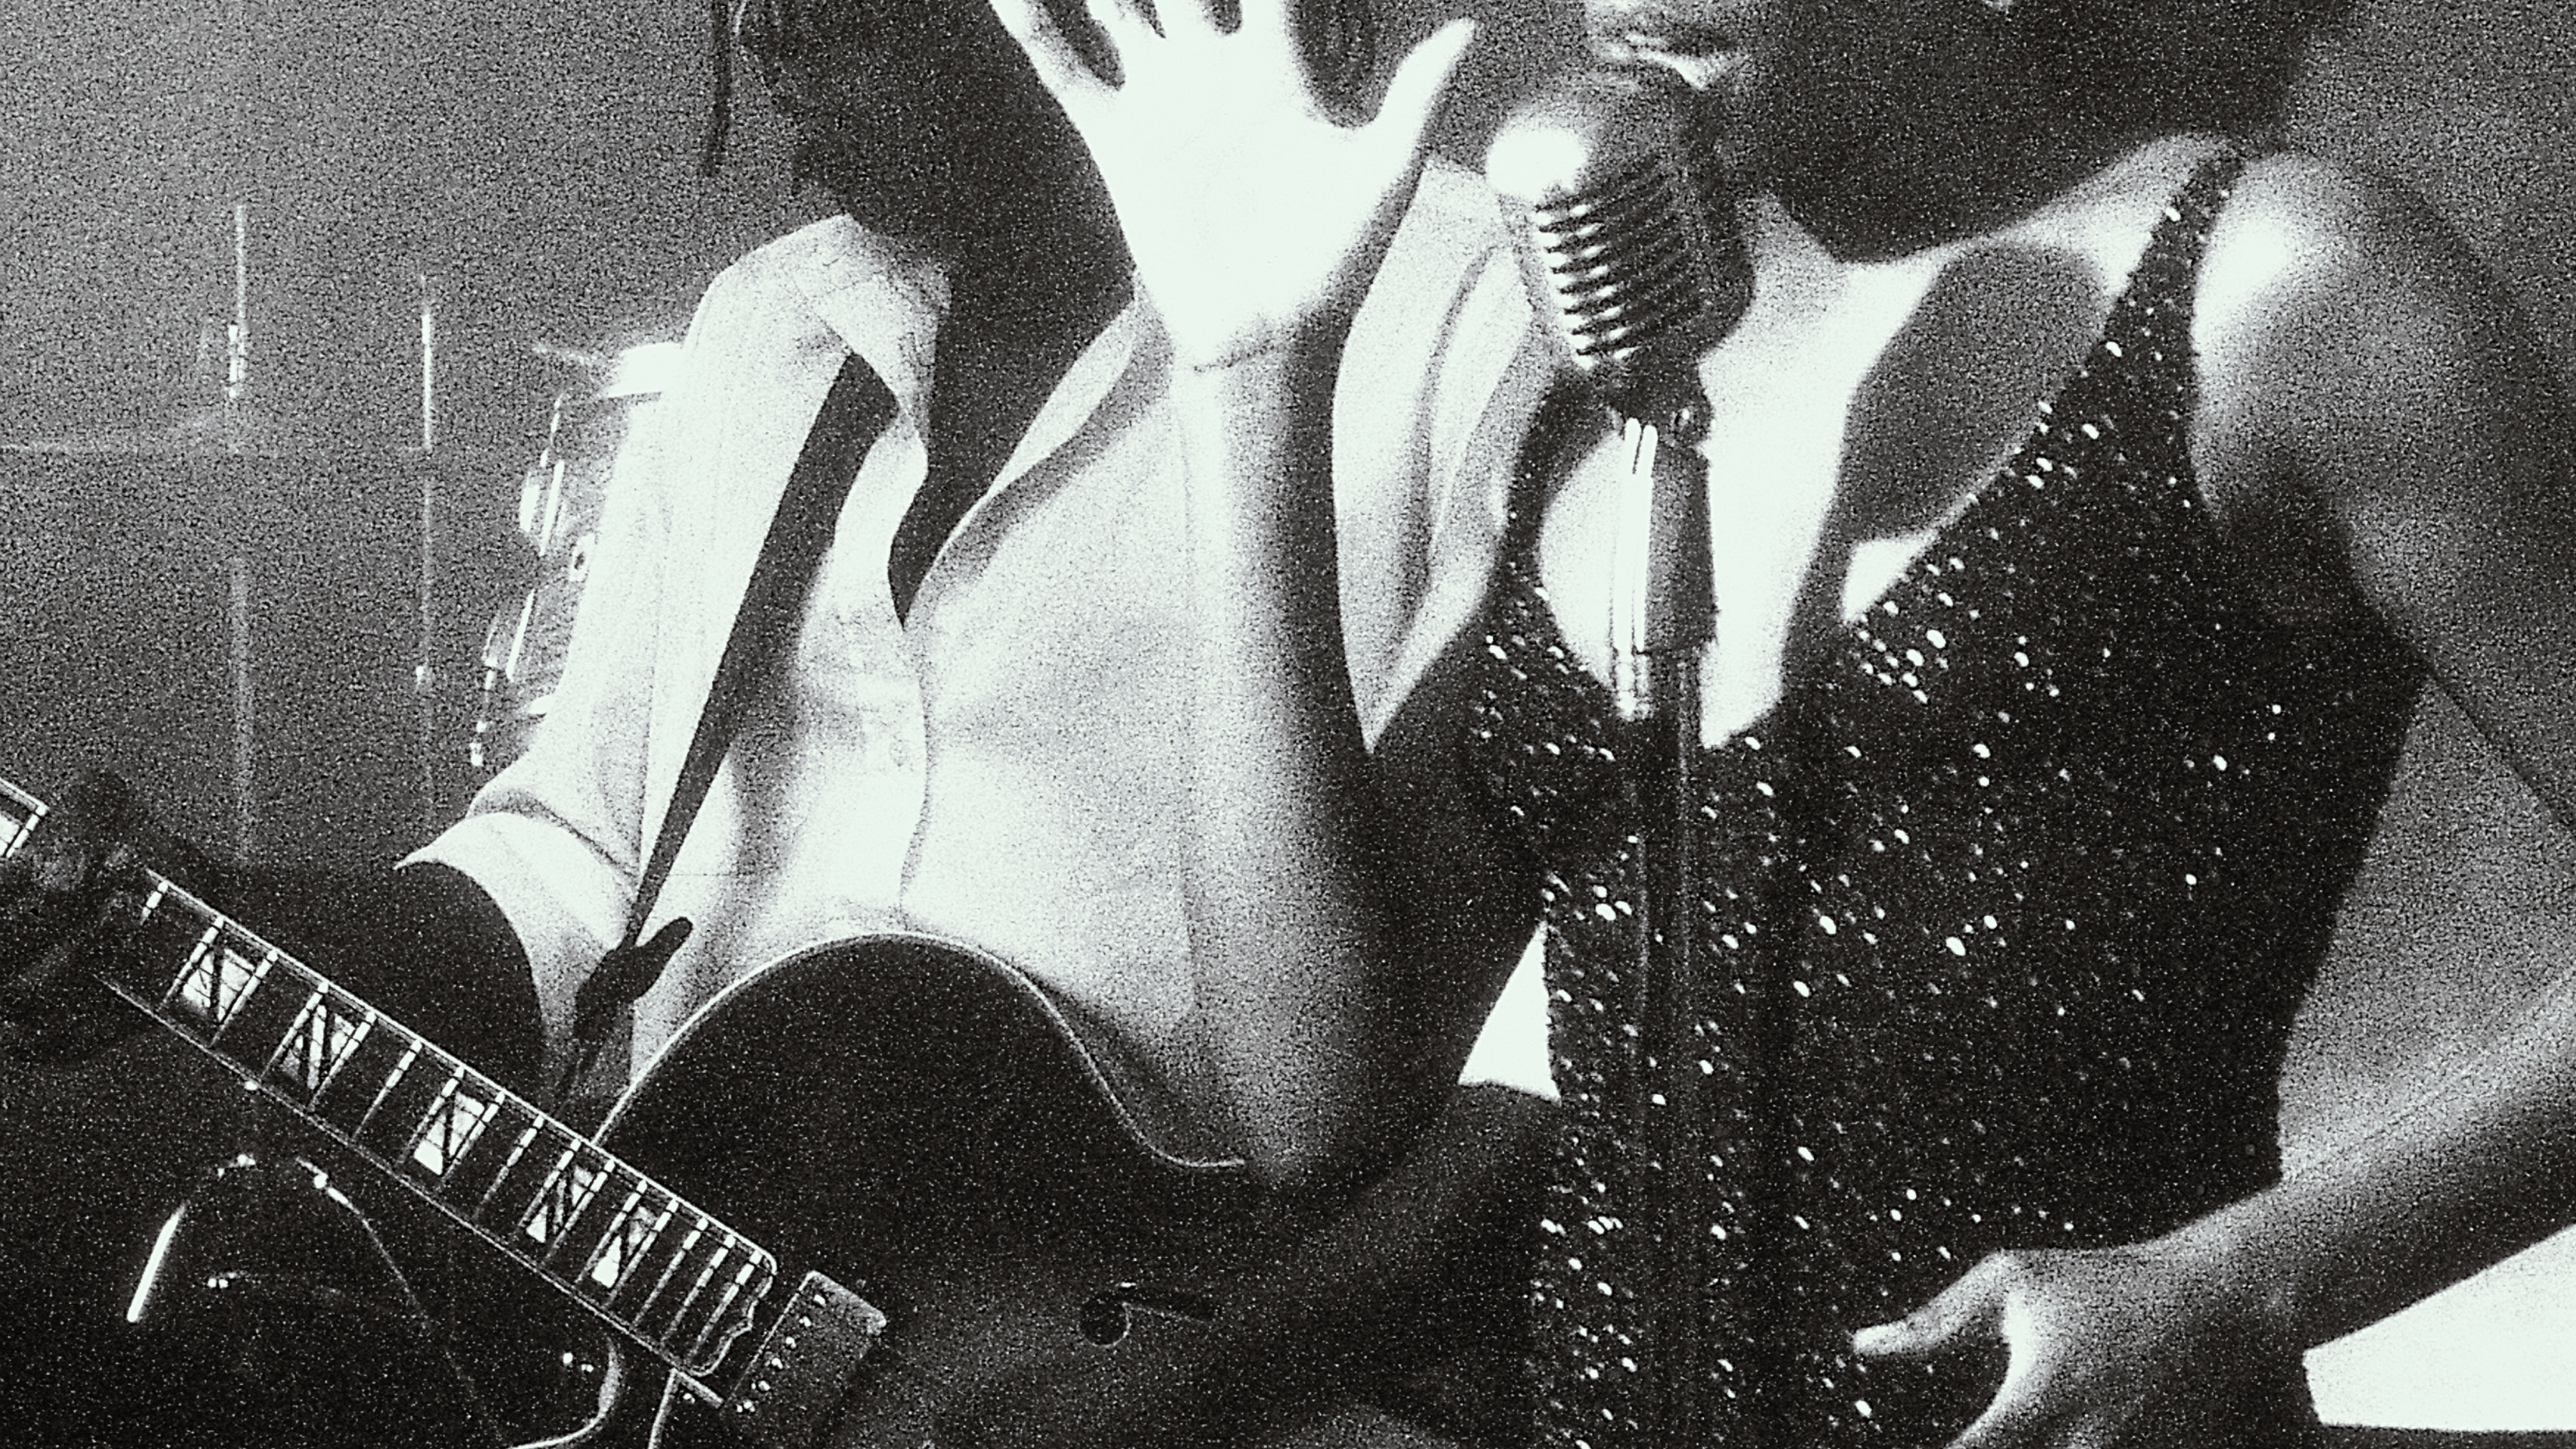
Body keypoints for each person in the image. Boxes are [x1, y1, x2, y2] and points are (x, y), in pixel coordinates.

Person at [989, 0, 2576, 1444]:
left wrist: (2242, 1284)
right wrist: (1246, 374)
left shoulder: (2288, 286)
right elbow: (1317, 1104)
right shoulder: (1589, 366)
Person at [0, 0, 1553, 1442]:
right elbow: (574, 870)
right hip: (723, 1349)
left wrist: (1224, 1384)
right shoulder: (767, 328)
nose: (766, 36)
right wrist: (203, 918)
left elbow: (1563, 1045)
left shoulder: (1467, 306)